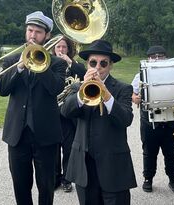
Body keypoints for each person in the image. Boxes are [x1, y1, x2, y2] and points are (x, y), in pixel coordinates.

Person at [0, 11, 66, 205]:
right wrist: (19, 68)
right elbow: (1, 89)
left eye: (38, 32)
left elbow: (55, 88)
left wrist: (40, 65)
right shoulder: (12, 61)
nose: (33, 35)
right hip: (17, 136)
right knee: (20, 186)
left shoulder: (57, 63)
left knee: (46, 187)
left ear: (47, 35)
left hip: (46, 136)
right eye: (30, 30)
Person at [61, 39, 137, 205]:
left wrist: (106, 94)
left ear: (110, 66)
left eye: (103, 63)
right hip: (84, 166)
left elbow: (126, 119)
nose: (98, 68)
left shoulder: (123, 89)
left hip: (113, 167)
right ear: (87, 64)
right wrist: (82, 91)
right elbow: (66, 112)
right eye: (93, 62)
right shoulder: (78, 87)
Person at [131, 45, 174, 193]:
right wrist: (135, 97)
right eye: (154, 56)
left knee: (171, 152)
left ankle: (173, 179)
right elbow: (132, 93)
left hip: (170, 119)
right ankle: (148, 179)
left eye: (160, 56)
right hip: (149, 121)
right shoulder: (140, 75)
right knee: (149, 152)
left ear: (165, 58)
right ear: (148, 58)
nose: (157, 58)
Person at [52, 35, 86, 192]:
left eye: (63, 47)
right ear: (53, 48)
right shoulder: (47, 62)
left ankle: (66, 178)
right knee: (52, 146)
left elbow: (84, 75)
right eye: (58, 47)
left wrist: (70, 62)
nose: (60, 50)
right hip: (51, 111)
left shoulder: (75, 65)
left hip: (68, 112)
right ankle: (54, 177)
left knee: (67, 146)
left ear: (68, 49)